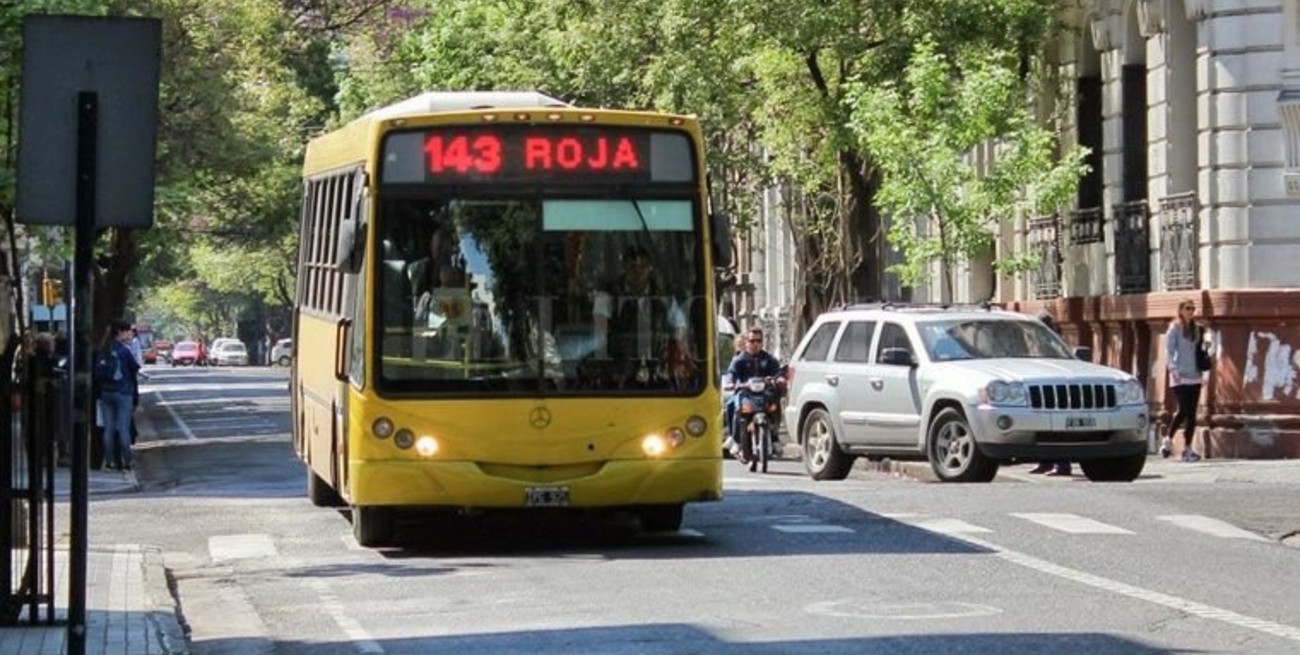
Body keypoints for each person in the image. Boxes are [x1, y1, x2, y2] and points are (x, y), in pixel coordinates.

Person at [723, 327, 783, 462]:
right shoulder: (739, 360)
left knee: (775, 404)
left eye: (758, 341)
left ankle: (774, 437)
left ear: (762, 342)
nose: (755, 343)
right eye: (752, 340)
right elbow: (731, 374)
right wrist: (731, 382)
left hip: (764, 394)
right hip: (745, 394)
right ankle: (736, 439)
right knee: (732, 405)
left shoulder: (769, 359)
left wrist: (779, 379)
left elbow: (777, 372)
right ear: (746, 342)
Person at [1028, 311, 1072, 476]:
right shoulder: (1035, 341)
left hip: (1057, 392)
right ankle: (1044, 463)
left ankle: (1063, 465)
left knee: (1058, 431)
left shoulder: (1055, 343)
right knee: (1043, 430)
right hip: (1041, 392)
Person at [94, 320, 141, 471]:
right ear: (120, 332)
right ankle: (127, 460)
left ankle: (109, 461)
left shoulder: (103, 349)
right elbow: (134, 369)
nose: (129, 334)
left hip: (106, 392)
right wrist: (135, 397)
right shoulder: (124, 351)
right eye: (127, 331)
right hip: (123, 392)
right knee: (123, 428)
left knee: (108, 428)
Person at [1163, 300, 1205, 462]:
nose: (1191, 311)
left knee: (1192, 414)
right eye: (1188, 308)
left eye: (1193, 309)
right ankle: (1168, 440)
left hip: (1195, 374)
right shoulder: (1175, 328)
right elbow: (1169, 349)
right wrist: (1173, 368)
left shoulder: (1198, 328)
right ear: (1180, 310)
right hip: (1179, 375)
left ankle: (1187, 449)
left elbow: (1202, 349)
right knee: (1183, 410)